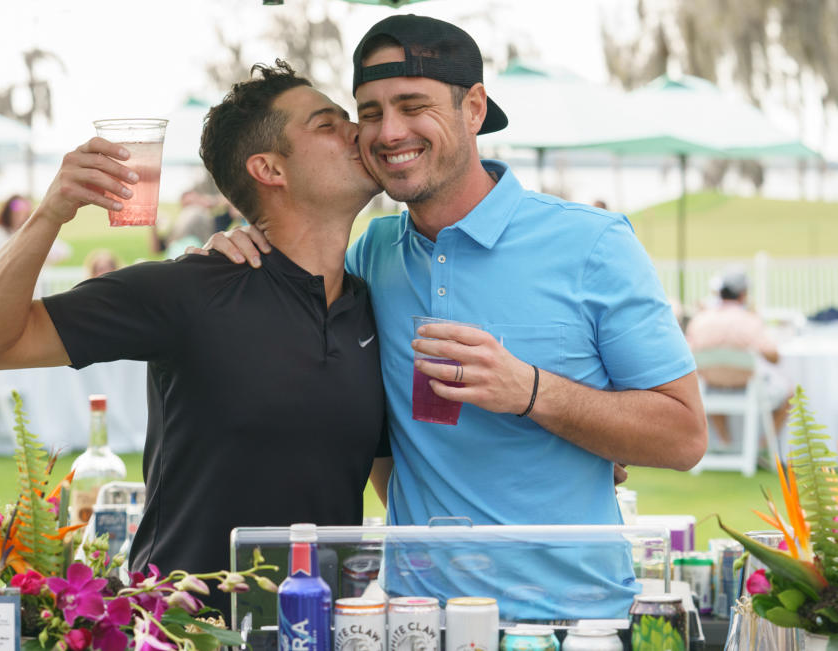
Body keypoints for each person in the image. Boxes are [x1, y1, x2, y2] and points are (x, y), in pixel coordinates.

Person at [203, 15, 707, 620]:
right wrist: (231, 247)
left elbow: (684, 436)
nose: (389, 132)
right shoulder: (368, 254)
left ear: (473, 108)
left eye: (413, 105)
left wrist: (531, 391)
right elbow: (383, 432)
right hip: (415, 617)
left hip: (576, 620)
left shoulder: (593, 244)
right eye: (370, 112)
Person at [0, 61, 390, 618]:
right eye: (328, 124)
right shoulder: (190, 289)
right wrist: (53, 211)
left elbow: (389, 481)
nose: (359, 132)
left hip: (320, 626)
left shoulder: (371, 308)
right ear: (269, 168)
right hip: (185, 628)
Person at [685, 267, 793, 445]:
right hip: (745, 386)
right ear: (743, 294)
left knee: (705, 384)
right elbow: (774, 356)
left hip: (709, 386)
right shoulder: (749, 320)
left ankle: (725, 441)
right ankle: (763, 446)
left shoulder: (701, 320)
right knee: (791, 393)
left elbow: (690, 351)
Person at [0, 195, 71, 268]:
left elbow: (64, 251)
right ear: (8, 213)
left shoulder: (32, 233)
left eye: (24, 213)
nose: (20, 217)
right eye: (17, 213)